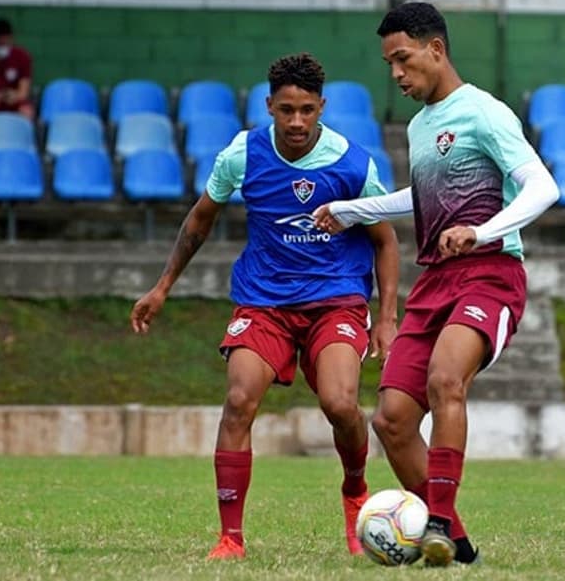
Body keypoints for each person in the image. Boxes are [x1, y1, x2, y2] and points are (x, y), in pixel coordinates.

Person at [313, 1, 560, 567]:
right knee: (391, 419)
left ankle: (439, 517)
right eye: (389, 64)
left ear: (436, 50)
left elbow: (543, 188)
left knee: (447, 380)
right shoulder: (423, 124)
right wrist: (353, 209)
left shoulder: (486, 113)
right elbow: (420, 198)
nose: (396, 74)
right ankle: (456, 541)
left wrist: (482, 230)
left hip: (490, 275)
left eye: (402, 60)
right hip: (434, 283)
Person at [129, 53, 399, 560]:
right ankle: (230, 538)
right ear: (269, 105)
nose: (296, 122)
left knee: (341, 405)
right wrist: (162, 286)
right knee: (238, 401)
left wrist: (386, 317)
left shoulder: (353, 163)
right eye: (286, 110)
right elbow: (200, 219)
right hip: (264, 301)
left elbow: (385, 241)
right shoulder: (243, 155)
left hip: (335, 300)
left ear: (322, 107)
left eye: (307, 110)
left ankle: (355, 490)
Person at [0, 18, 34, 120]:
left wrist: (14, 96)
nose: (1, 47)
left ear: (10, 38)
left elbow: (23, 92)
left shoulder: (22, 56)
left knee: (26, 110)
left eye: (4, 43)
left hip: (13, 102)